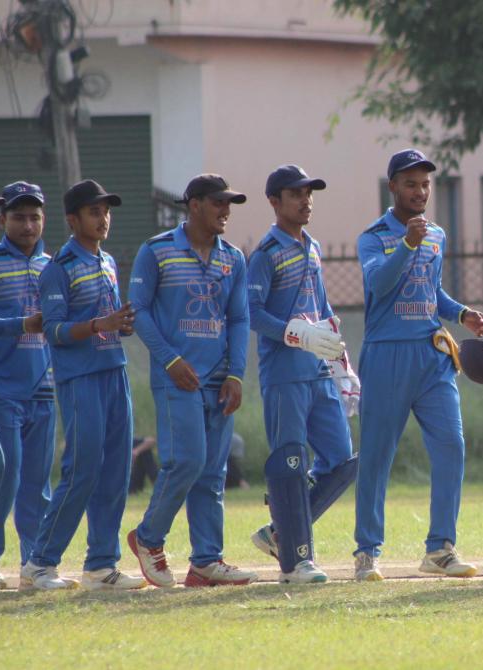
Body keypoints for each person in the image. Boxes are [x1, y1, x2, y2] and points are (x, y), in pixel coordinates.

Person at [353, 149, 483, 581]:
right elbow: (379, 284)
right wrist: (406, 244)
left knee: (452, 444)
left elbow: (433, 291)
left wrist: (462, 313)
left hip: (432, 357)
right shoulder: (373, 237)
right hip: (386, 354)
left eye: (425, 184)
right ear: (392, 186)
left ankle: (440, 549)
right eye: (410, 184)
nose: (420, 191)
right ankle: (367, 551)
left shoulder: (437, 235)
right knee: (377, 456)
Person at [126, 174, 253, 588]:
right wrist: (171, 361)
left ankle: (205, 562)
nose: (226, 211)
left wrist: (236, 373)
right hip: (177, 379)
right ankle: (147, 538)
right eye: (218, 203)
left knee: (212, 471)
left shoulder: (233, 257)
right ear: (194, 204)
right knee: (188, 460)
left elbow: (238, 318)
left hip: (219, 379)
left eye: (230, 204)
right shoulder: (157, 250)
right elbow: (140, 312)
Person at [23, 179, 144, 590]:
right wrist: (98, 325)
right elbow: (53, 330)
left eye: (106, 211)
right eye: (95, 212)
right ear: (73, 220)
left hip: (114, 371)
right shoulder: (59, 268)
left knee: (115, 470)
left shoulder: (107, 261)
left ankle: (101, 566)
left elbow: (107, 321)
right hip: (80, 380)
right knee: (82, 470)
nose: (104, 218)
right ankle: (39, 563)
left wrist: (119, 325)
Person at [247, 164, 359, 584]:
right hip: (284, 375)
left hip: (317, 373)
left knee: (342, 462)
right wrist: (293, 333)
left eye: (309, 193)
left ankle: (280, 530)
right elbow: (252, 312)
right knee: (292, 463)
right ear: (275, 201)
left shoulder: (311, 246)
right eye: (295, 194)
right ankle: (297, 561)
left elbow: (322, 307)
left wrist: (341, 362)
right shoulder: (265, 253)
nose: (305, 200)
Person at [0, 182, 56, 588]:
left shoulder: (53, 266)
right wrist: (22, 324)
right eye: (18, 217)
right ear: (2, 219)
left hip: (45, 385)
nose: (27, 225)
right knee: (5, 475)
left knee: (39, 484)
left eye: (34, 217)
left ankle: (35, 563)